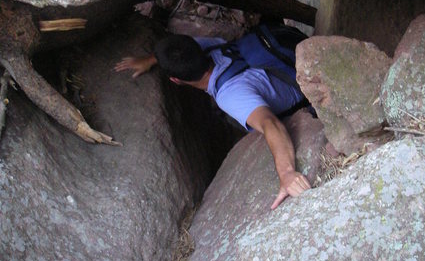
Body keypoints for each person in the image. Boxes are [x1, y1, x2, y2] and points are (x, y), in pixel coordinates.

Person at [114, 33, 311, 209]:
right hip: (290, 58)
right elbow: (180, 48)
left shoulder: (231, 96)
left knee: (234, 120)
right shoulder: (209, 46)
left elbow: (271, 124)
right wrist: (150, 59)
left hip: (302, 91)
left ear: (175, 81)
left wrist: (287, 174)